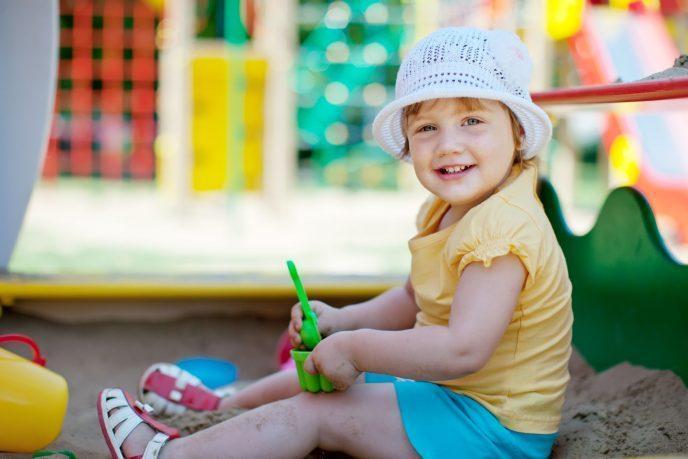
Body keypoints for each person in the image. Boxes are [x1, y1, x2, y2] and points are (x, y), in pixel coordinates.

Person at [97, 26, 573, 459]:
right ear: (407, 143)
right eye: (427, 127)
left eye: (472, 120)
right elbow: (412, 298)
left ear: (516, 131)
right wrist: (342, 323)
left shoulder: (503, 231)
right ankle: (225, 405)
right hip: (454, 395)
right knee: (322, 381)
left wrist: (357, 347)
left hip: (492, 429)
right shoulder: (451, 209)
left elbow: (461, 351)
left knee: (318, 413)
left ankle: (168, 457)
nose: (448, 144)